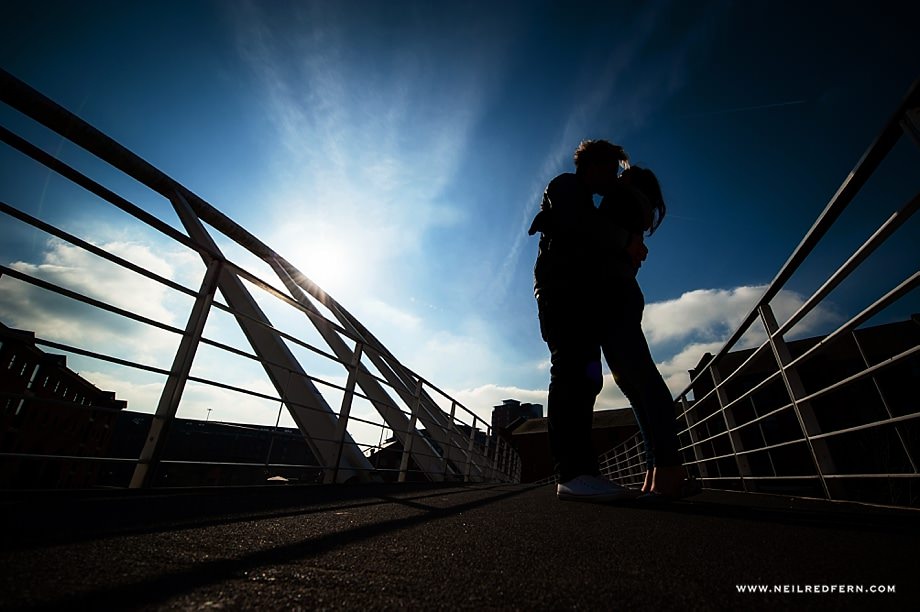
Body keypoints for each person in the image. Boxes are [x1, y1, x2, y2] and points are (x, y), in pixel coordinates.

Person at [528, 139, 633, 501]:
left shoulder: (583, 198)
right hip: (561, 296)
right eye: (612, 170)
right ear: (594, 166)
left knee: (585, 378)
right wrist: (625, 242)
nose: (615, 178)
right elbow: (583, 226)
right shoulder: (566, 186)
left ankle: (582, 471)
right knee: (572, 373)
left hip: (571, 297)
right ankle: (572, 473)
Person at [597, 165, 698, 500]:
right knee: (636, 387)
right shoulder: (632, 204)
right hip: (617, 293)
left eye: (624, 174)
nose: (617, 176)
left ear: (634, 182)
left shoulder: (623, 198)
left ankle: (668, 469)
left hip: (615, 293)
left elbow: (599, 232)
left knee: (643, 383)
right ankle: (656, 471)